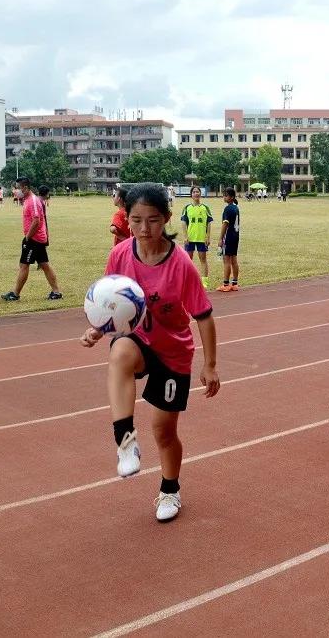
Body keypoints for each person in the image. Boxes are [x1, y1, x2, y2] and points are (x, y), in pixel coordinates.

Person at [80, 183, 220, 522]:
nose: (144, 229)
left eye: (153, 220)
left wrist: (211, 365)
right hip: (139, 340)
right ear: (127, 219)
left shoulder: (181, 263)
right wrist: (98, 330)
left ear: (168, 218)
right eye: (136, 220)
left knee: (164, 431)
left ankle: (170, 489)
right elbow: (111, 303)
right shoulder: (119, 255)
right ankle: (125, 439)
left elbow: (203, 316)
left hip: (173, 352)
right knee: (120, 354)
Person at [0, 178, 63, 301]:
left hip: (34, 239)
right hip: (37, 238)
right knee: (45, 265)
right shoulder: (28, 200)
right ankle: (56, 292)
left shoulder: (33, 201)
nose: (16, 190)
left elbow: (36, 220)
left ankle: (15, 294)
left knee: (24, 265)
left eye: (18, 187)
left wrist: (28, 237)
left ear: (25, 188)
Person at [180, 185, 213, 288]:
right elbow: (184, 223)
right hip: (190, 238)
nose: (196, 193)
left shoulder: (205, 208)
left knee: (203, 259)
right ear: (191, 194)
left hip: (201, 238)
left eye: (197, 192)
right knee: (188, 260)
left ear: (200, 194)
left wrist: (208, 236)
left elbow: (209, 223)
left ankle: (205, 282)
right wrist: (185, 237)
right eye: (194, 192)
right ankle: (188, 280)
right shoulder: (187, 208)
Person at [217, 187, 241, 292]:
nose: (224, 197)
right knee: (234, 260)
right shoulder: (236, 207)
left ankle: (226, 284)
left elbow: (225, 224)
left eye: (226, 195)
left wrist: (220, 238)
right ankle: (235, 283)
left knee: (226, 260)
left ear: (231, 197)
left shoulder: (228, 208)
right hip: (236, 236)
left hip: (229, 236)